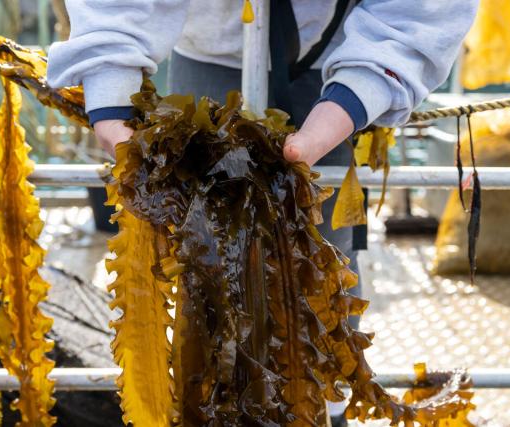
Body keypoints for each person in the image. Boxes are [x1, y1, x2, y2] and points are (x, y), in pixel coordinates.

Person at [47, 1, 478, 425]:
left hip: (336, 55)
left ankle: (325, 411)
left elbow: (425, 7)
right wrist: (110, 86)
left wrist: (357, 94)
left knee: (325, 257)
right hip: (209, 43)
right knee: (200, 272)